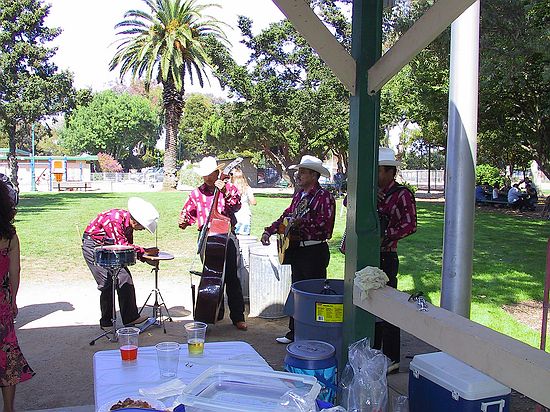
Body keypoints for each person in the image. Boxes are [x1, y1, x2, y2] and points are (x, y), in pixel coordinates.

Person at [261, 155, 336, 344]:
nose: (298, 175)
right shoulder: (299, 195)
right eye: (299, 172)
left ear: (314, 175)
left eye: (303, 172)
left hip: (314, 252)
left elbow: (326, 228)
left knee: (313, 294)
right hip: (297, 251)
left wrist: (302, 224)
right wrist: (270, 230)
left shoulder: (324, 197)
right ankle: (294, 333)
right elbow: (287, 216)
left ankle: (313, 337)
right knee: (297, 292)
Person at [178, 156, 247, 331]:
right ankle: (215, 312)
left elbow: (236, 206)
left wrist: (224, 191)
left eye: (210, 174)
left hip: (226, 236)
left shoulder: (228, 187)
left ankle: (238, 316)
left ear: (217, 172)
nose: (207, 178)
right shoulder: (196, 193)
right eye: (204, 175)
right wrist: (184, 220)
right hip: (206, 237)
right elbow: (188, 213)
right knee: (212, 275)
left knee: (231, 277)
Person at [82, 197, 159, 329]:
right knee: (107, 282)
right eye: (143, 227)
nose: (142, 230)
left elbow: (126, 249)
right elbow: (122, 246)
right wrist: (144, 252)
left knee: (124, 278)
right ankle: (107, 322)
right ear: (135, 221)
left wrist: (144, 257)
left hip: (110, 248)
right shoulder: (114, 219)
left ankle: (131, 318)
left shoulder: (128, 225)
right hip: (94, 247)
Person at [375, 147, 417, 373]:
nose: (375, 175)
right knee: (369, 304)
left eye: (379, 170)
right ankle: (373, 352)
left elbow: (410, 224)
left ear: (390, 171)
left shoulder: (402, 194)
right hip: (367, 256)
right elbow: (347, 203)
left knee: (388, 306)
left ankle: (391, 357)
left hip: (386, 255)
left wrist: (385, 235)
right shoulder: (370, 191)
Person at [0, 180, 34, 412]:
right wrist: (12, 301)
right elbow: (15, 271)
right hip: (1, 303)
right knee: (7, 355)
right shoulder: (9, 235)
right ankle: (9, 408)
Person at [230, 167, 257, 236]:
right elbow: (254, 202)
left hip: (234, 217)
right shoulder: (247, 188)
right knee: (245, 238)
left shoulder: (230, 188)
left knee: (233, 237)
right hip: (245, 216)